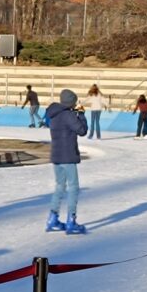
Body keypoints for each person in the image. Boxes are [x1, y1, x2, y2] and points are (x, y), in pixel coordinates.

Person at [44, 90, 89, 235]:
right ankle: (71, 220)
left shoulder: (54, 114)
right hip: (67, 156)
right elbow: (82, 130)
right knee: (73, 188)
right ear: (71, 102)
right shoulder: (68, 115)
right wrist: (81, 115)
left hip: (56, 156)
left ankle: (53, 218)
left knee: (60, 187)